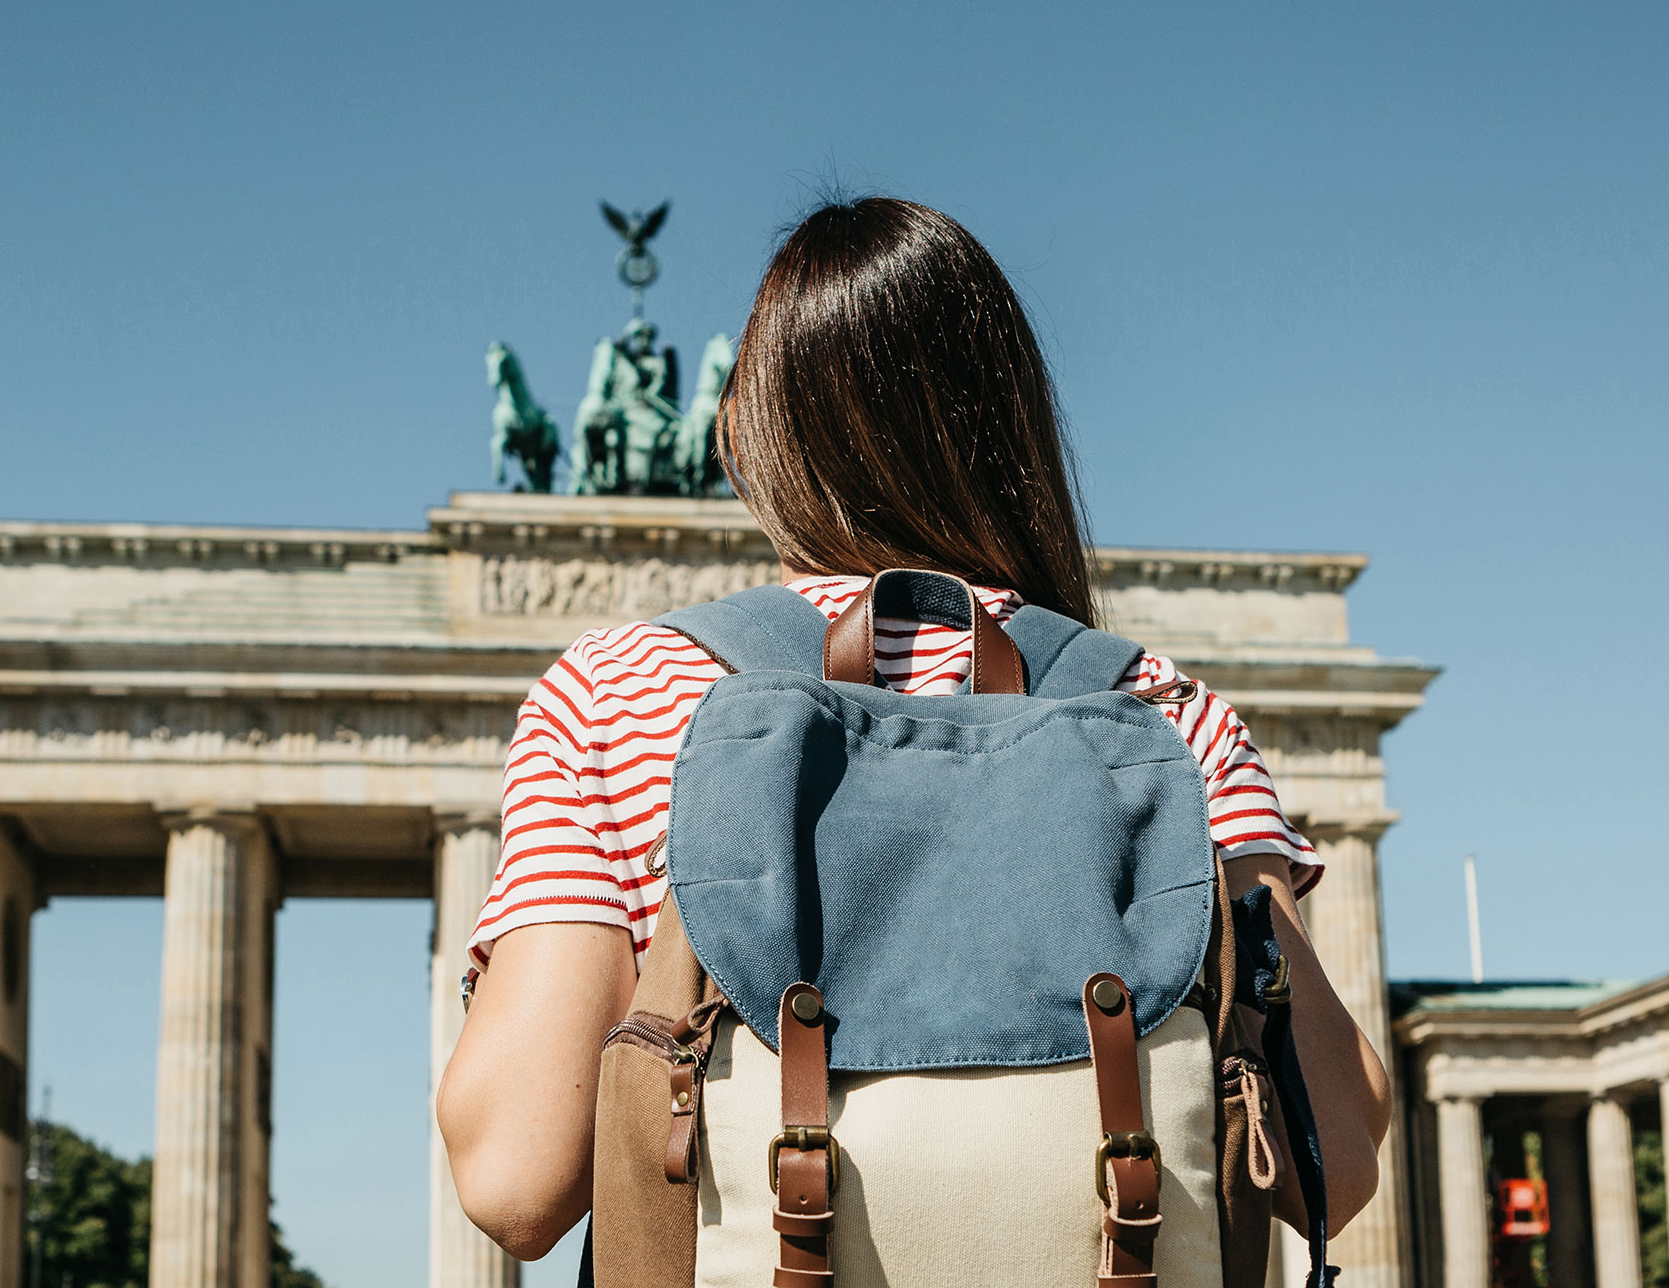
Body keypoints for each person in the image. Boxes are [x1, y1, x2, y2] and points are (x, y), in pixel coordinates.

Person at [437, 197, 1391, 1262]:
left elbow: (517, 1178)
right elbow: (1333, 1157)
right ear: (1011, 426)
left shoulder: (620, 691)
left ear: (745, 435)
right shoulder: (1164, 713)